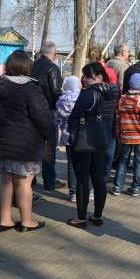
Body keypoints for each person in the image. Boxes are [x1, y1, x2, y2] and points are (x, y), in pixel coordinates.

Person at [0, 51, 50, 232]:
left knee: (6, 181)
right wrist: (48, 136)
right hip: (27, 143)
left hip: (3, 140)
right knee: (23, 183)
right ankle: (26, 221)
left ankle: (4, 220)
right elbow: (42, 117)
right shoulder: (30, 88)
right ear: (26, 68)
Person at [66, 63, 119, 229]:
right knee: (98, 178)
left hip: (84, 140)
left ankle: (81, 218)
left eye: (87, 76)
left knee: (82, 179)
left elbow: (73, 116)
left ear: (98, 77)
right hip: (102, 138)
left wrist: (71, 127)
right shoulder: (112, 92)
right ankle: (97, 216)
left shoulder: (89, 93)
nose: (84, 80)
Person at [31, 41, 65, 190]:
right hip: (48, 110)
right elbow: (55, 92)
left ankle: (30, 179)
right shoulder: (53, 68)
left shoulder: (32, 65)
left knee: (32, 147)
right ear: (54, 52)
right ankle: (49, 180)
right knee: (50, 147)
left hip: (31, 109)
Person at [56, 76, 93, 204]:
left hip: (68, 136)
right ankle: (88, 191)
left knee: (72, 164)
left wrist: (64, 128)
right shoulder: (83, 97)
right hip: (83, 136)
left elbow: (59, 121)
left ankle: (73, 192)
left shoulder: (60, 100)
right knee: (86, 163)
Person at [112, 73, 140, 197]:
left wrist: (118, 134)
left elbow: (118, 119)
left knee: (123, 160)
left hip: (125, 136)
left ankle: (117, 187)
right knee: (138, 162)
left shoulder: (122, 99)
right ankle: (135, 188)